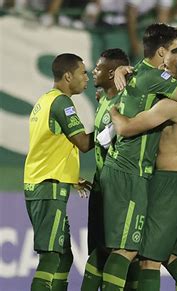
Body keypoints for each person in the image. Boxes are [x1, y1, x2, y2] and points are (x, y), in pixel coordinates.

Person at [99, 23, 177, 291]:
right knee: (138, 252)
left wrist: (114, 106)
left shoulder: (150, 79)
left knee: (148, 253)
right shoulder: (161, 81)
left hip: (146, 173)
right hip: (135, 171)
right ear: (162, 53)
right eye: (175, 49)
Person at [23, 53, 94, 291]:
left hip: (45, 183)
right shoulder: (62, 102)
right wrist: (113, 127)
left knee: (64, 256)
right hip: (48, 187)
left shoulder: (44, 100)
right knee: (52, 256)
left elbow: (50, 145)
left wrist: (72, 177)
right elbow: (83, 143)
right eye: (82, 72)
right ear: (67, 76)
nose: (87, 77)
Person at [80, 48, 131, 291]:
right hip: (101, 184)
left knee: (122, 252)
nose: (93, 71)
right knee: (99, 249)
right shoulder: (104, 100)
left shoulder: (126, 102)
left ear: (112, 73)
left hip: (120, 189)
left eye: (98, 68)